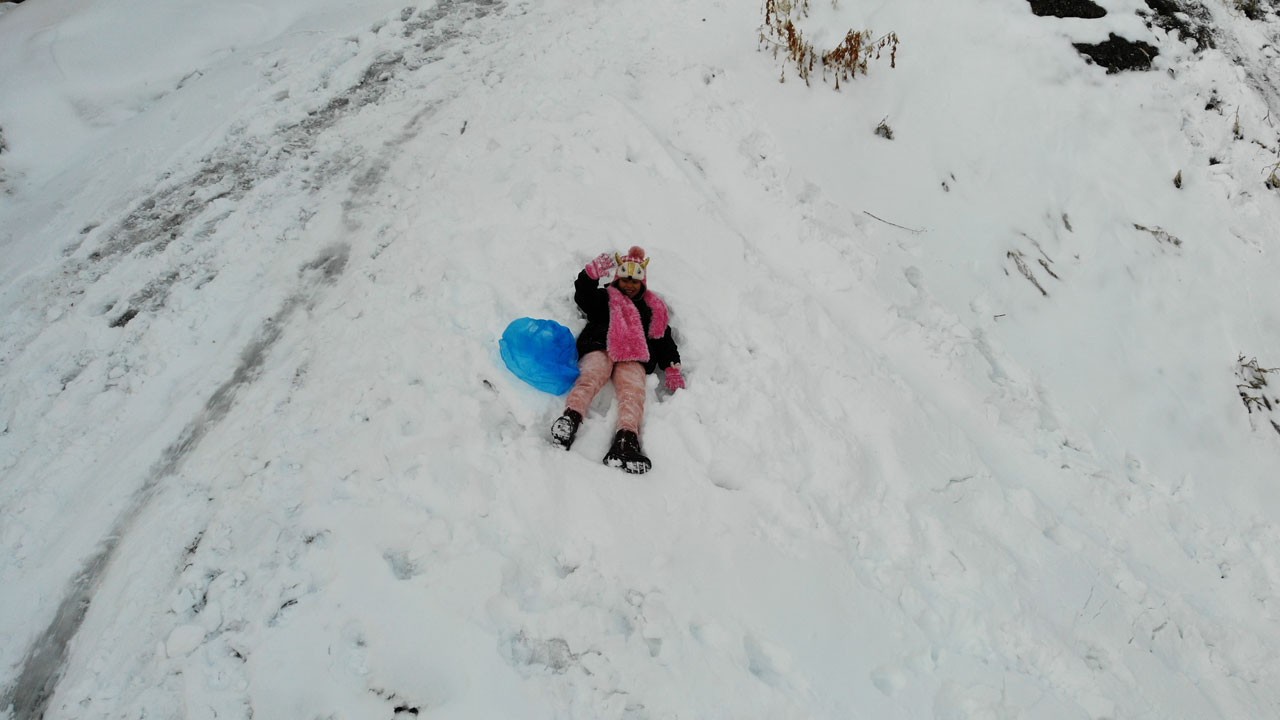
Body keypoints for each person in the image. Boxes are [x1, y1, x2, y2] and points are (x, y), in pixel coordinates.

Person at [550, 246, 685, 473]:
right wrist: (589, 276)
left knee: (633, 392)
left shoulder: (651, 310)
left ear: (642, 282)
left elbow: (663, 340)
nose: (630, 285)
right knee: (591, 376)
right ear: (617, 279)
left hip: (634, 355)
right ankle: (570, 419)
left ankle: (626, 440)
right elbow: (583, 296)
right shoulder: (604, 299)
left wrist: (671, 367)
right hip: (600, 346)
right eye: (625, 280)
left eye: (635, 281)